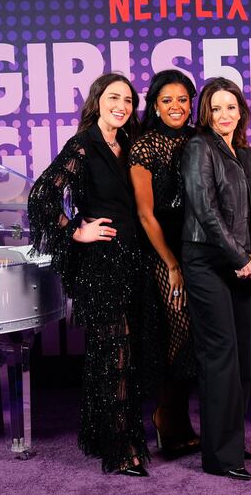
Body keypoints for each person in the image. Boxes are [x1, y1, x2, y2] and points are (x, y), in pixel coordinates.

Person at [27, 73, 149, 476]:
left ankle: (103, 435)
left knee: (118, 354)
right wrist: (76, 230)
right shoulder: (83, 144)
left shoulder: (129, 143)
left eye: (128, 100)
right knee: (115, 353)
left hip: (132, 262)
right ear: (97, 101)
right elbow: (42, 196)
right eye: (114, 97)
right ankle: (121, 448)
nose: (121, 106)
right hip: (101, 265)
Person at [180, 77, 251, 481]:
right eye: (216, 108)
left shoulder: (248, 155)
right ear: (206, 113)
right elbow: (204, 208)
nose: (224, 115)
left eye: (231, 107)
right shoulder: (199, 147)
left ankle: (231, 440)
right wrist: (237, 257)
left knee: (241, 358)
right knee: (220, 354)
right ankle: (220, 456)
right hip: (207, 259)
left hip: (244, 261)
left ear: (241, 111)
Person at [128, 69, 199, 458]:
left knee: (192, 334)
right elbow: (145, 213)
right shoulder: (144, 146)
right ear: (155, 105)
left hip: (195, 246)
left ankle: (177, 416)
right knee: (178, 328)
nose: (176, 106)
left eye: (182, 99)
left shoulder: (197, 140)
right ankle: (165, 414)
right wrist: (171, 263)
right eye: (167, 100)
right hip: (160, 248)